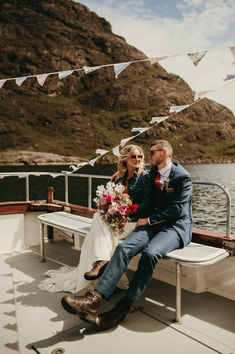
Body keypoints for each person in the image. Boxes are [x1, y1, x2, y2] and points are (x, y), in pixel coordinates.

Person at [61, 140, 193, 330]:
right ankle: (94, 300)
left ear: (163, 153)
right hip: (153, 224)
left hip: (175, 227)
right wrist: (120, 173)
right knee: (123, 248)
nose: (147, 157)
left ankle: (123, 307)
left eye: (152, 153)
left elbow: (177, 210)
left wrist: (147, 220)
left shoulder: (182, 177)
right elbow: (138, 176)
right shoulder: (153, 174)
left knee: (150, 254)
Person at [38, 144, 152, 294]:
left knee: (97, 228)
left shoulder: (145, 177)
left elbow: (148, 204)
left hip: (134, 223)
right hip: (118, 221)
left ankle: (100, 264)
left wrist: (127, 209)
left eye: (140, 156)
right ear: (125, 159)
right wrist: (110, 207)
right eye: (133, 156)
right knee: (99, 217)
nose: (137, 159)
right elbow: (112, 198)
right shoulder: (119, 178)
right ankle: (104, 267)